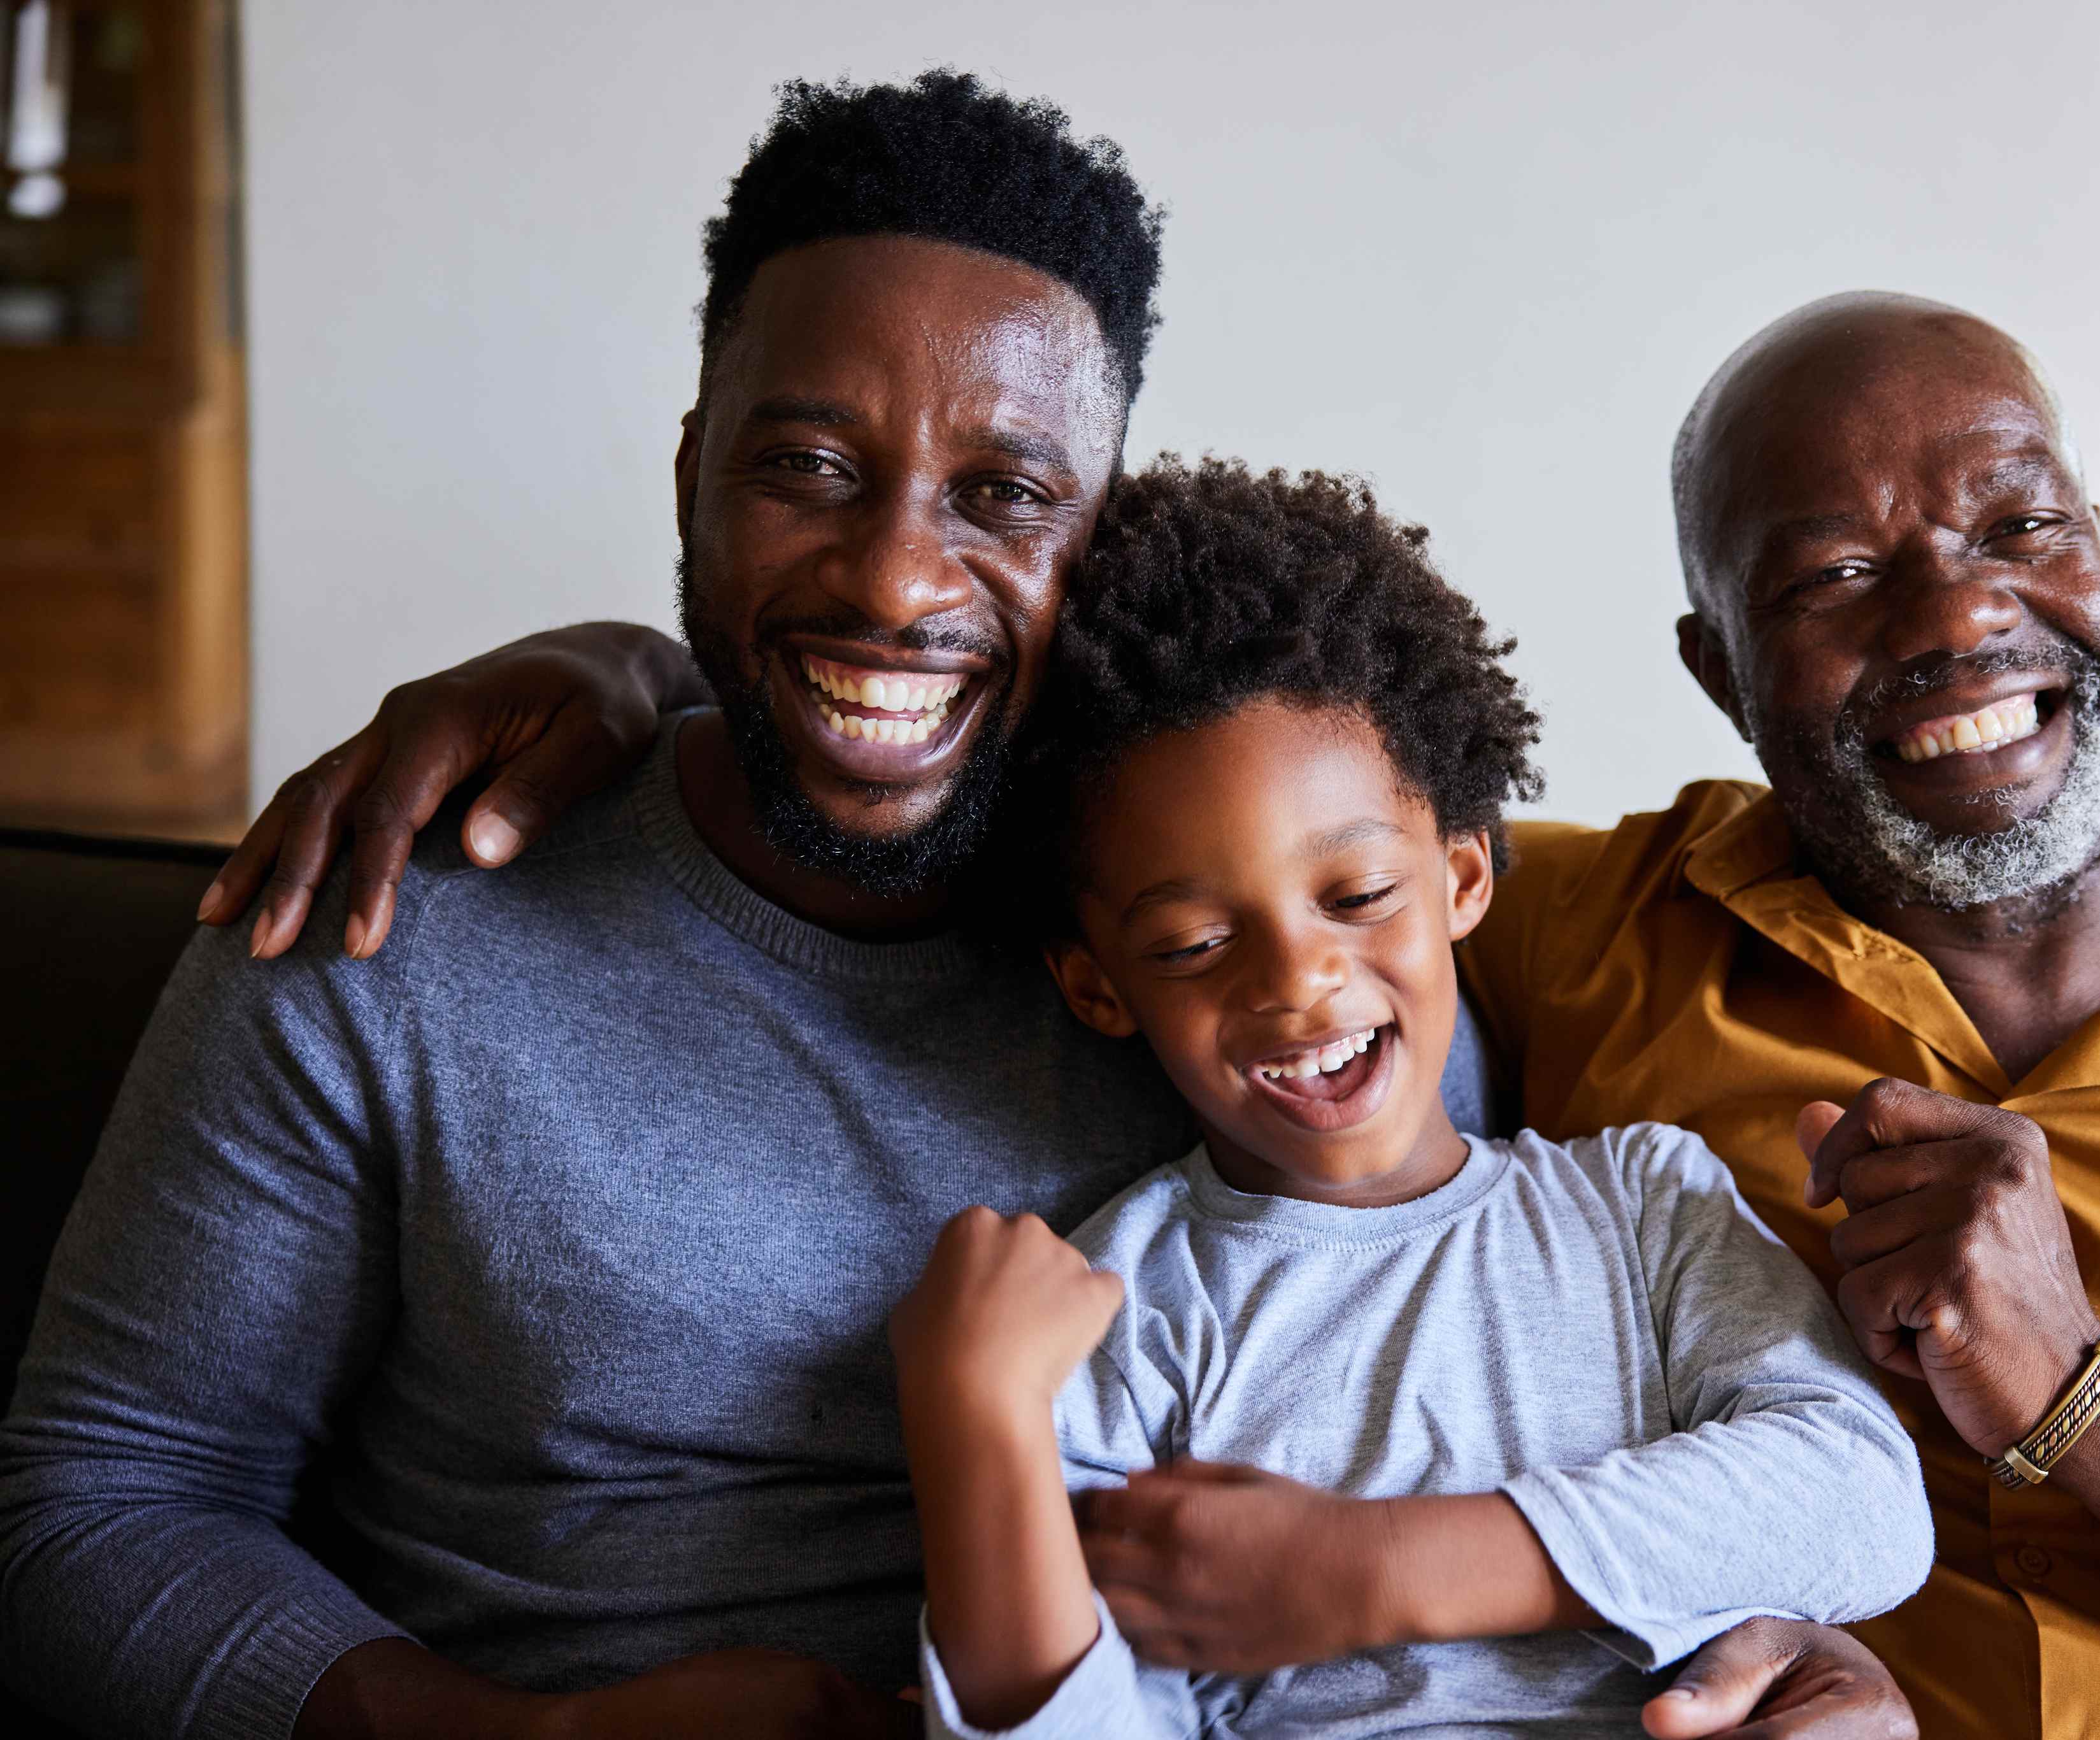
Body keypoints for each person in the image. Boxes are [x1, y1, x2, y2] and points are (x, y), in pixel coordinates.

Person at [234, 292, 2100, 1740]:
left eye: (2010, 524)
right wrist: (620, 681)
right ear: (1714, 673)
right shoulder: (1572, 928)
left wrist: (2079, 1403)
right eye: (1834, 578)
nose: (1953, 619)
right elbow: (1106, 777)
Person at [0, 71, 1903, 1740]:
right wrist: (512, 1734)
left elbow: (1511, 1427)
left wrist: (1811, 1652)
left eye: (1004, 491)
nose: (901, 570)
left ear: (1103, 533)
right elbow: (89, 1506)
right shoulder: (397, 918)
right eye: (810, 467)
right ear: (690, 473)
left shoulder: (1237, 966)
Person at [890, 458, 1932, 1737]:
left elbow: (1860, 1503)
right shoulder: (1118, 1315)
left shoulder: (1644, 1210)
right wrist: (976, 1411)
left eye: (1357, 895)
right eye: (1190, 945)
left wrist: (1375, 1567)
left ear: (1461, 878)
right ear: (1098, 986)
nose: (1297, 980)